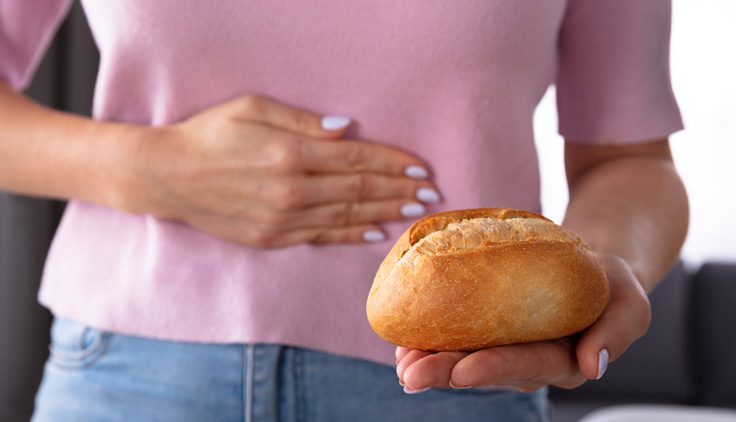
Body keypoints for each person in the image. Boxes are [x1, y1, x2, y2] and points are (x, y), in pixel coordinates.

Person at [0, 0, 688, 421]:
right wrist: (151, 169)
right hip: (128, 375)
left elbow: (630, 160)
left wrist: (600, 270)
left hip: (454, 386)